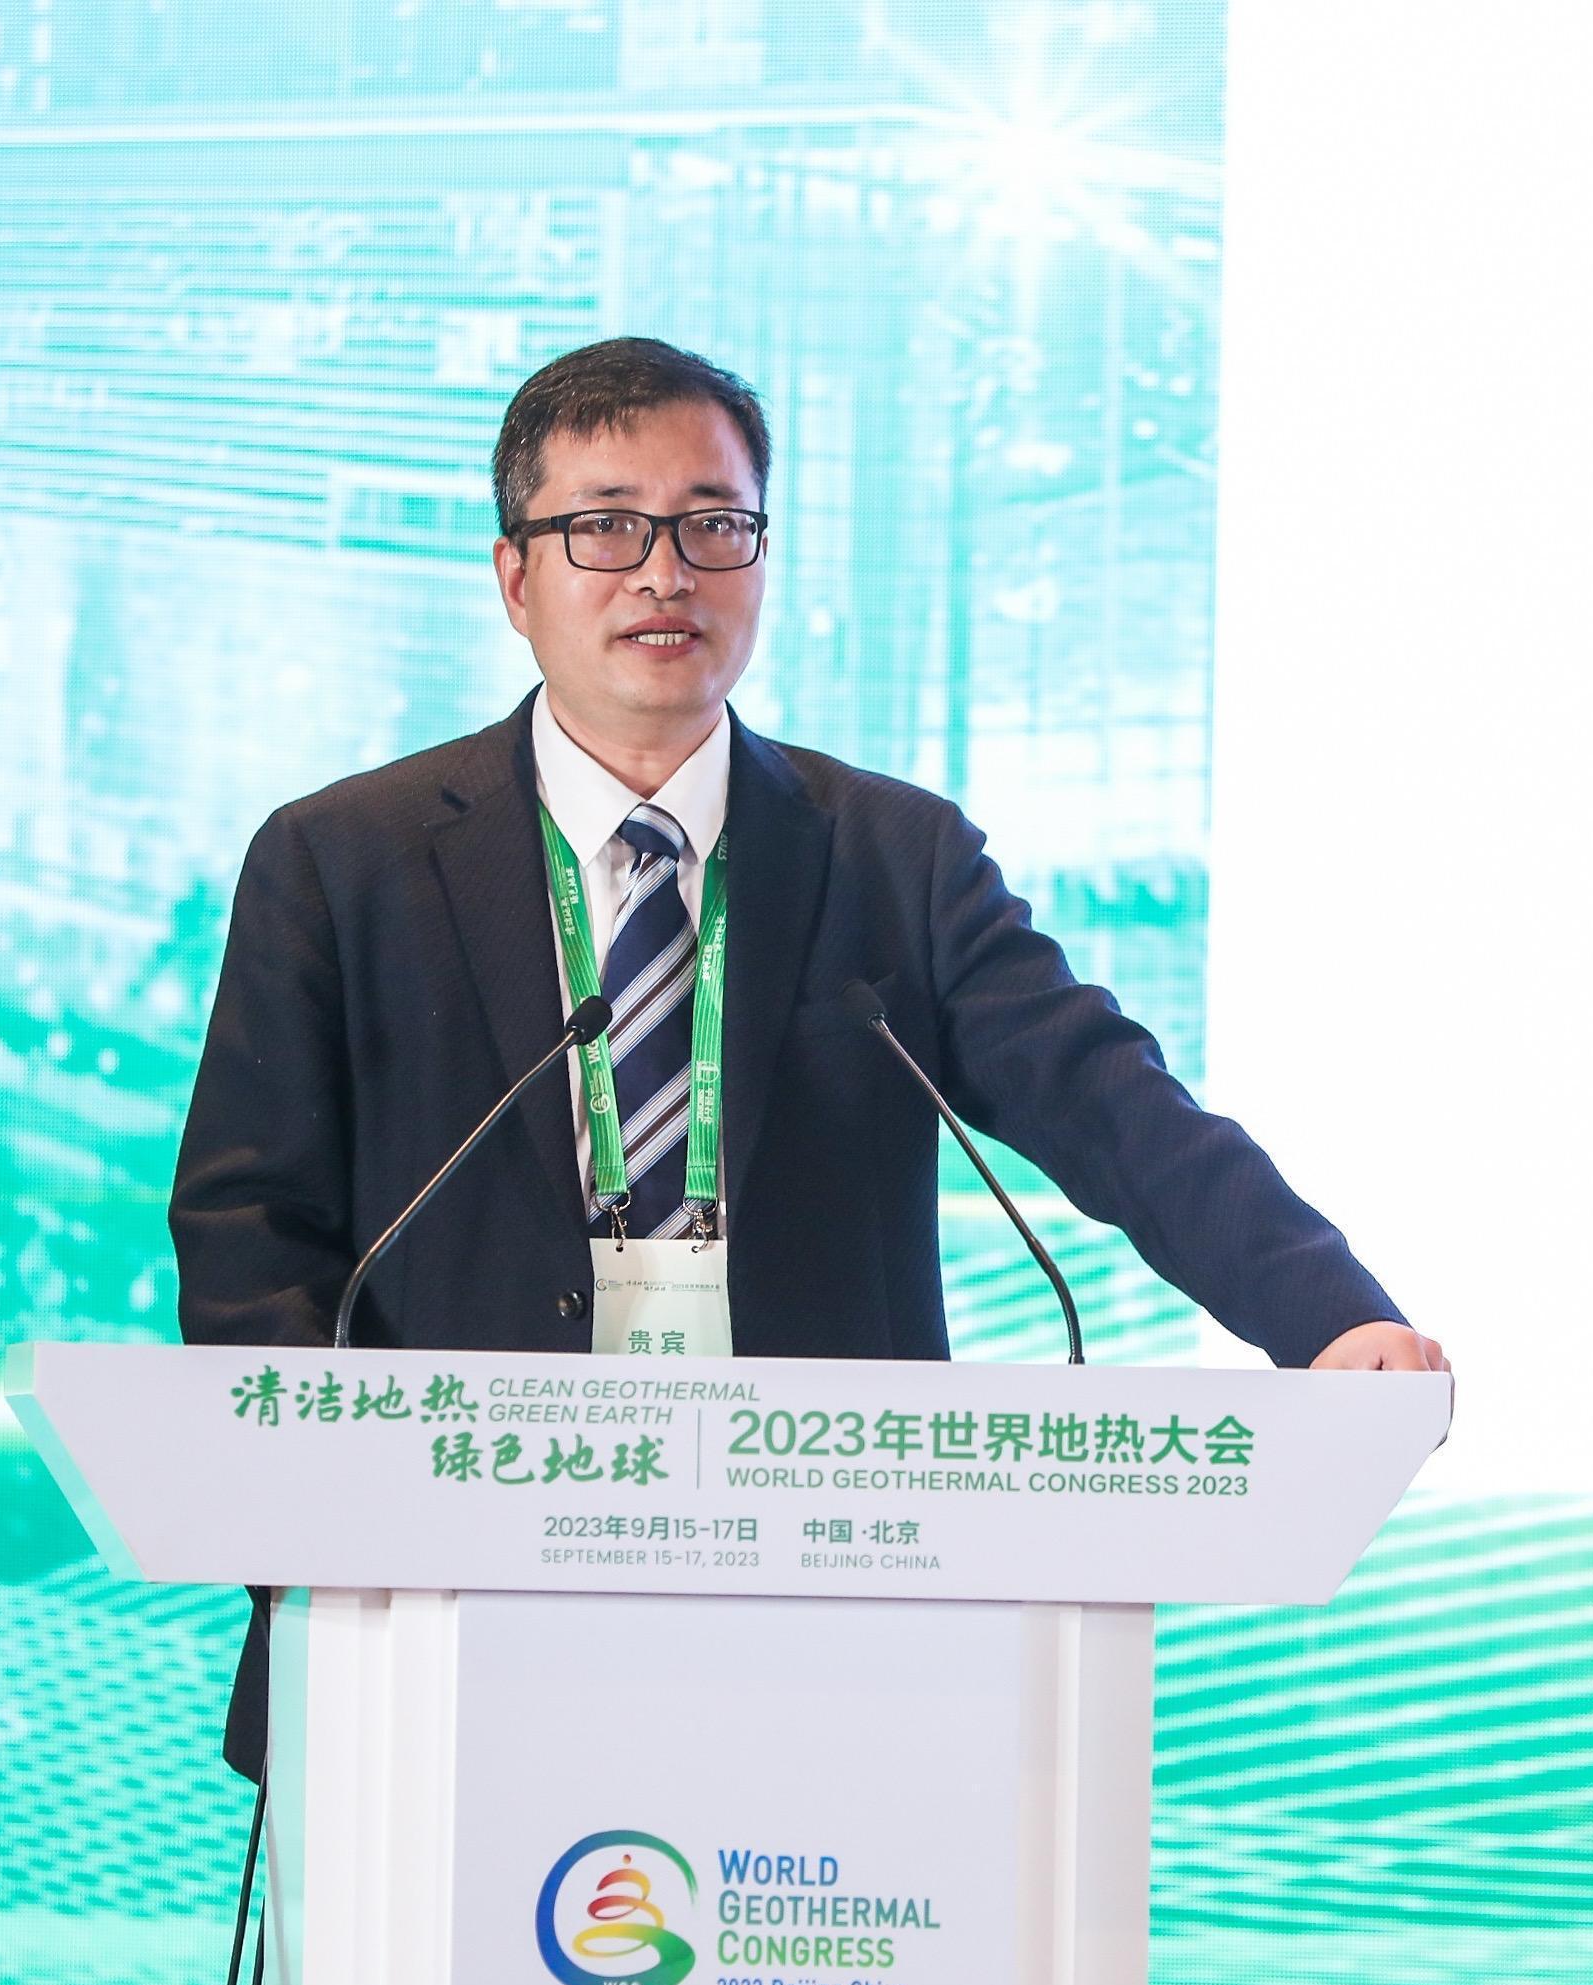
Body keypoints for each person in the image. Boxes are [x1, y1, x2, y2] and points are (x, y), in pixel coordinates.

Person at [170, 336, 1443, 1780]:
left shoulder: (893, 858)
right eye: (606, 527)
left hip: (832, 1601)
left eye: (712, 525)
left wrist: (1326, 1316)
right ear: (516, 577)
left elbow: (1110, 1105)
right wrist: (330, 1521)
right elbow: (248, 1226)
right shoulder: (345, 861)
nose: (665, 574)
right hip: (438, 1607)